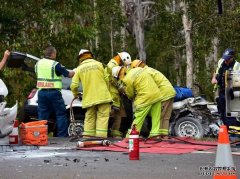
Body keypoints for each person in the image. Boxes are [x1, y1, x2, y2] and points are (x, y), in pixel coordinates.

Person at [70, 49, 112, 138]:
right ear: (90, 55)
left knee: (89, 118)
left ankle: (88, 139)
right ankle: (101, 139)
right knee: (103, 118)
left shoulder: (79, 69)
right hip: (103, 97)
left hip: (89, 98)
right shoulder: (99, 64)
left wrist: (76, 95)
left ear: (80, 58)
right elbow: (107, 80)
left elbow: (73, 85)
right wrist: (106, 91)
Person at [112, 66, 162, 138]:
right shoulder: (138, 69)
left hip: (145, 98)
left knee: (138, 118)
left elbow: (130, 94)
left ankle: (130, 137)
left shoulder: (127, 79)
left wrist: (125, 91)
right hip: (157, 95)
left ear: (119, 74)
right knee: (156, 118)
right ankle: (154, 136)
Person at [35, 46, 75, 137]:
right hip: (54, 93)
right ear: (53, 54)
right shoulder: (55, 64)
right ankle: (61, 137)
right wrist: (76, 71)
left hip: (41, 93)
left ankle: (40, 136)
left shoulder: (38, 63)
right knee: (60, 114)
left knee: (42, 115)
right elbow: (69, 75)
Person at [131, 60, 176, 137]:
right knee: (165, 117)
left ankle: (156, 136)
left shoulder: (145, 73)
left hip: (164, 94)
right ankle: (164, 135)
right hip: (170, 92)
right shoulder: (150, 69)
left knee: (159, 116)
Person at [105, 52, 132, 138]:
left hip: (115, 94)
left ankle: (115, 132)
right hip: (111, 94)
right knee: (111, 114)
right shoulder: (111, 65)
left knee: (118, 114)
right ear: (121, 60)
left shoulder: (113, 65)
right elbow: (111, 79)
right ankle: (108, 131)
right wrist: (120, 86)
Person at [211, 48, 240, 128]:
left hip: (232, 93)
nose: (225, 60)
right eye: (225, 58)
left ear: (232, 58)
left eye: (227, 59)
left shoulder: (237, 66)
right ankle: (225, 132)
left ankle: (233, 135)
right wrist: (214, 78)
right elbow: (216, 71)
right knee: (222, 112)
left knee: (231, 115)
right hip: (222, 91)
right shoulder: (221, 61)